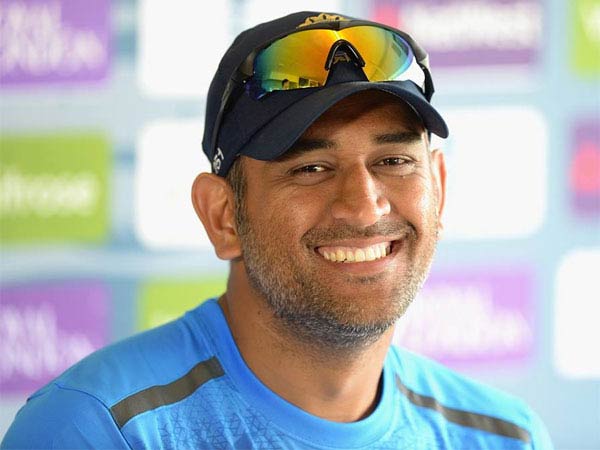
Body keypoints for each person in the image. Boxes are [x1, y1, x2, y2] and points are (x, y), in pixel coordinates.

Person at [2, 11, 553, 449]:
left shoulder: (505, 437)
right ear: (223, 215)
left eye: (393, 161)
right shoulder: (97, 431)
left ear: (439, 188)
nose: (365, 207)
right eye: (310, 168)